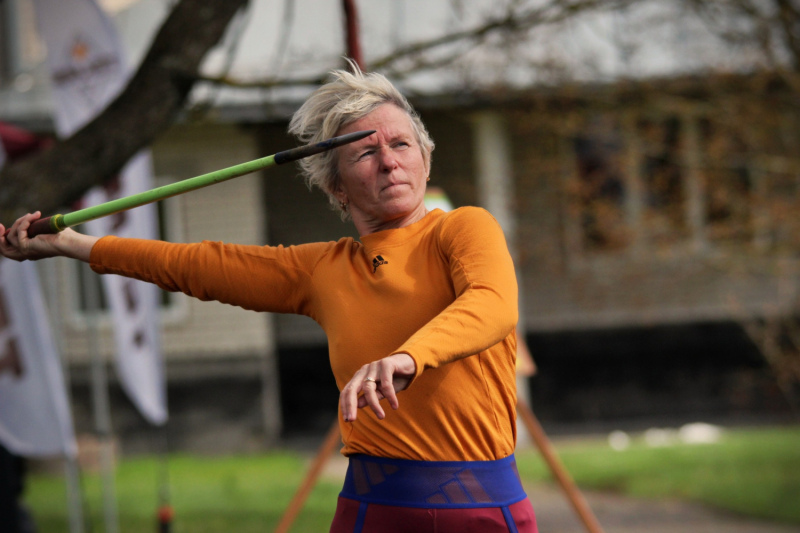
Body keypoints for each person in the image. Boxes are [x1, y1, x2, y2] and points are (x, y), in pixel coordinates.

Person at [0, 64, 537, 533]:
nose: (389, 161)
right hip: (376, 510)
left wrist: (407, 357)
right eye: (366, 152)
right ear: (336, 187)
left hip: (485, 509)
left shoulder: (463, 230)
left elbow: (491, 304)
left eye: (400, 145)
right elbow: (194, 264)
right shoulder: (321, 270)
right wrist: (72, 244)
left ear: (424, 159)